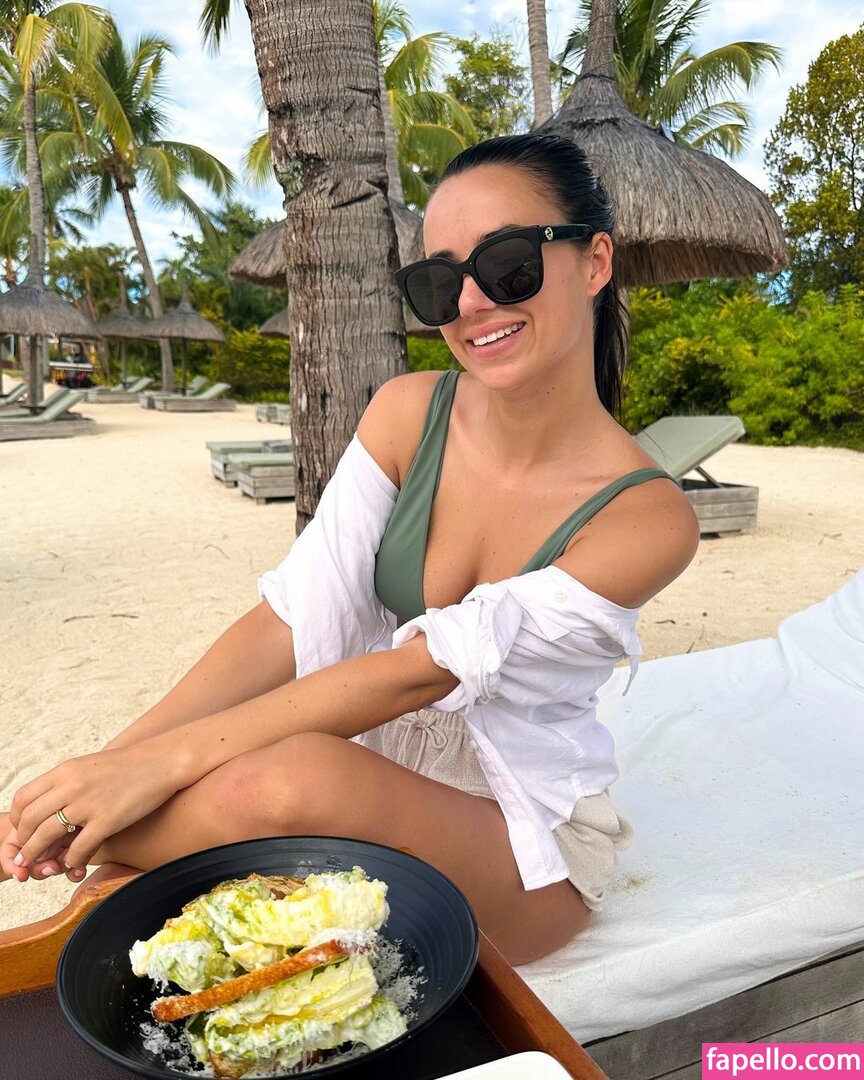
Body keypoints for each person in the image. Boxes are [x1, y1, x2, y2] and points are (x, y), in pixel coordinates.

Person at [0, 134, 699, 965]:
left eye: (508, 263)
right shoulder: (408, 416)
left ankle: (53, 854)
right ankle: (56, 838)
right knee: (165, 819)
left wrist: (159, 768)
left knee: (290, 775)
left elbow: (421, 672)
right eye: (440, 282)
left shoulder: (646, 517)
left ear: (594, 262)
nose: (472, 301)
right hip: (364, 788)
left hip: (519, 846)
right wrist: (105, 768)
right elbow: (293, 620)